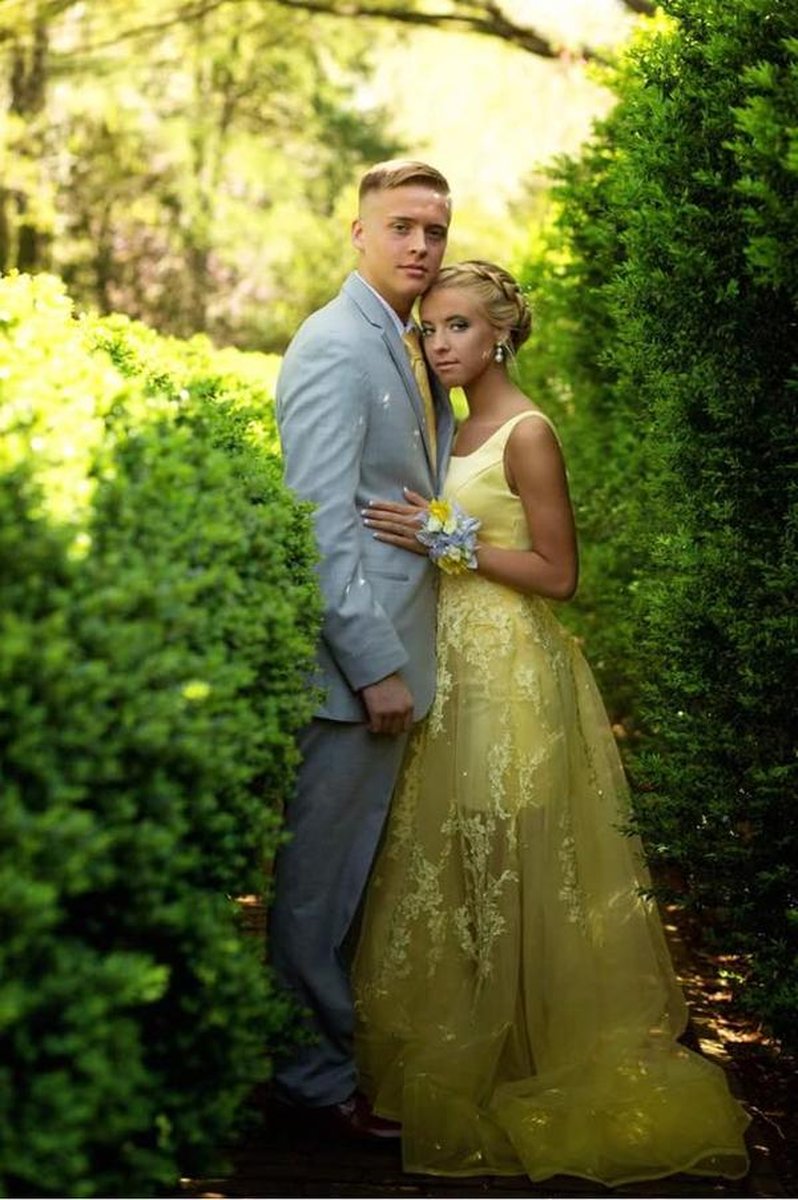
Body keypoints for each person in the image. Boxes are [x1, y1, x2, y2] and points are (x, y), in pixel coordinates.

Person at [351, 260, 751, 1184]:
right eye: (429, 329)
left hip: (510, 671)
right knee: (448, 857)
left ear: (502, 333)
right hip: (447, 663)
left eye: (458, 326)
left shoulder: (527, 434)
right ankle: (463, 1047)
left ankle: (532, 1054)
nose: (439, 344)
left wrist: (448, 539)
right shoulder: (446, 426)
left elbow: (560, 575)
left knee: (513, 850)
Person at [268, 160, 455, 1139]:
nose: (420, 245)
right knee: (319, 889)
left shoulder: (410, 343)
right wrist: (374, 664)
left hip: (403, 657)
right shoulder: (337, 344)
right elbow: (319, 521)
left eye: (435, 229)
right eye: (401, 226)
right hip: (353, 674)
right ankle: (310, 1084)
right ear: (358, 231)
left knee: (355, 884)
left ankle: (329, 1061)